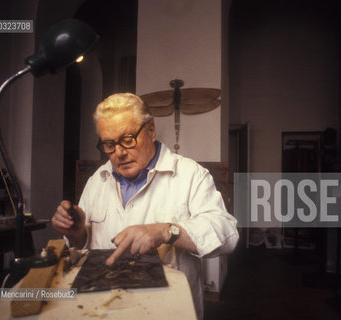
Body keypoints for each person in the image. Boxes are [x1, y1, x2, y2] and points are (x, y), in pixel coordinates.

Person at [52, 93, 239, 319]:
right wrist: (77, 233)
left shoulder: (191, 175)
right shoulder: (97, 180)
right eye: (109, 144)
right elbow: (84, 245)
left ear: (151, 130)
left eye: (128, 139)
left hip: (166, 311)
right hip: (103, 309)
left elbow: (227, 234)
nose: (119, 153)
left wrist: (166, 231)